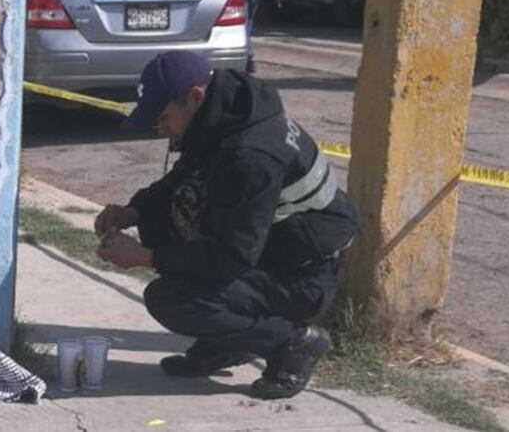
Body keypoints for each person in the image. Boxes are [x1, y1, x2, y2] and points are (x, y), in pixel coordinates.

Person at [95, 51, 359, 399]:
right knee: (161, 221)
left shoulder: (250, 156)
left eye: (163, 115)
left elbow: (231, 256)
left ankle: (292, 343)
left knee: (172, 299)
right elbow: (184, 179)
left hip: (304, 275)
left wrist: (147, 257)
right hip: (275, 250)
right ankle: (225, 342)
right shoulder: (225, 116)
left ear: (194, 97)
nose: (159, 127)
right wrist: (134, 211)